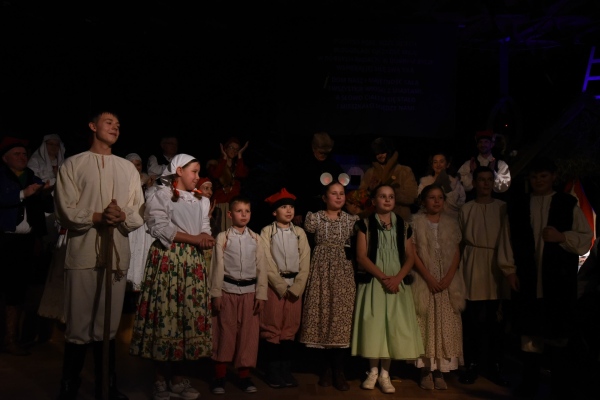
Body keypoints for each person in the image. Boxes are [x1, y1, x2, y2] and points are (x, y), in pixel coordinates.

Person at [53, 110, 145, 400]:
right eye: (109, 122)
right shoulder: (73, 164)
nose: (115, 127)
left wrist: (121, 215)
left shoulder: (127, 168)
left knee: (108, 325)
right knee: (79, 323)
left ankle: (106, 385)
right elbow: (65, 209)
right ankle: (69, 387)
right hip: (83, 254)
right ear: (93, 126)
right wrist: (97, 216)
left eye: (118, 124)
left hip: (116, 254)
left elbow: (138, 209)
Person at [499, 156, 593, 399]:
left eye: (543, 176)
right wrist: (509, 270)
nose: (538, 180)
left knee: (556, 334)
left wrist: (562, 237)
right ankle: (529, 385)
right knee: (530, 335)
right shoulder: (520, 205)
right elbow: (507, 238)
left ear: (553, 177)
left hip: (557, 281)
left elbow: (585, 237)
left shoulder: (566, 203)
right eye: (534, 176)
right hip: (528, 278)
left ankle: (559, 388)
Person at [129, 154, 214, 400]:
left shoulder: (200, 200)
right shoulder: (161, 194)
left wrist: (205, 238)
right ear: (179, 171)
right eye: (194, 171)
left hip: (192, 261)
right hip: (169, 258)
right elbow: (159, 226)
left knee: (186, 315)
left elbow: (204, 227)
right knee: (165, 314)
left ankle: (177, 379)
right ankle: (159, 379)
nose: (197, 177)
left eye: (198, 172)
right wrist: (194, 239)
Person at [351, 184, 424, 394]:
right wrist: (383, 278)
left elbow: (410, 256)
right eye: (382, 196)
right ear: (374, 200)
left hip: (396, 281)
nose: (387, 199)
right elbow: (361, 256)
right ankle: (372, 371)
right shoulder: (365, 224)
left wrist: (397, 278)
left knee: (393, 325)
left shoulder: (403, 225)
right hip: (376, 280)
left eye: (391, 196)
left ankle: (385, 373)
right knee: (374, 325)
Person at [298, 178, 359, 391]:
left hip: (343, 272)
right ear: (324, 197)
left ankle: (339, 370)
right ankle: (325, 369)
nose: (339, 196)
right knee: (323, 314)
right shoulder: (315, 218)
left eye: (342, 193)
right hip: (322, 270)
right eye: (334, 193)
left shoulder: (351, 220)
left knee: (341, 317)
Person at [209, 195, 268, 395]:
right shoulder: (223, 237)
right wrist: (216, 293)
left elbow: (261, 268)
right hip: (228, 292)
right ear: (230, 214)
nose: (243, 215)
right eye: (239, 211)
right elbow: (217, 267)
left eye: (247, 211)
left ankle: (244, 377)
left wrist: (261, 295)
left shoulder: (256, 238)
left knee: (248, 336)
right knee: (224, 332)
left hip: (249, 293)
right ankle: (219, 376)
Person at [458, 166, 511, 386]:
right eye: (482, 179)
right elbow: (460, 238)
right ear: (475, 183)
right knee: (472, 320)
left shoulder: (502, 207)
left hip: (497, 261)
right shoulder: (466, 208)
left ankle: (494, 365)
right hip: (473, 261)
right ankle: (471, 364)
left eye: (490, 179)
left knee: (495, 321)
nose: (486, 183)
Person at [1, 136, 53, 356]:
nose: (22, 157)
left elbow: (42, 208)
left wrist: (45, 193)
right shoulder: (2, 176)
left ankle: (12, 338)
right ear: (5, 158)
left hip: (25, 242)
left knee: (19, 289)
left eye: (24, 154)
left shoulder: (31, 176)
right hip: (4, 240)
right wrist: (23, 194)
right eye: (17, 154)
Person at [411, 184, 465, 390]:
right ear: (424, 201)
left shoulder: (451, 223)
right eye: (432, 197)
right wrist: (428, 277)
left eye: (440, 197)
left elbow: (456, 252)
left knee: (446, 321)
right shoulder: (416, 223)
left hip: (446, 280)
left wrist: (449, 277)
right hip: (426, 278)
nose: (436, 201)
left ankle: (440, 370)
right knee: (426, 322)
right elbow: (413, 253)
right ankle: (426, 369)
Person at [259, 188, 311, 388]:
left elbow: (305, 260)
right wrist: (280, 285)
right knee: (272, 326)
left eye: (291, 207)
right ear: (275, 212)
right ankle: (272, 370)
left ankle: (285, 370)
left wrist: (297, 286)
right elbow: (266, 260)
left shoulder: (299, 233)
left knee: (290, 327)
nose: (289, 210)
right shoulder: (267, 232)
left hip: (294, 286)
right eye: (283, 207)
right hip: (275, 286)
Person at [288, 132, 345, 227]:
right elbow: (296, 188)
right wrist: (298, 211)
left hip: (327, 209)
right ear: (313, 148)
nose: (324, 155)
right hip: (307, 208)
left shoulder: (333, 166)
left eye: (326, 153)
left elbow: (340, 186)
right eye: (321, 152)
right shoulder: (303, 165)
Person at [359, 136, 418, 222]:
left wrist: (390, 193)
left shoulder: (404, 171)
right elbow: (360, 196)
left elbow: (412, 196)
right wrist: (371, 191)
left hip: (399, 220)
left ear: (389, 151)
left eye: (383, 152)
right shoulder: (370, 173)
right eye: (377, 153)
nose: (380, 155)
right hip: (376, 220)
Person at [207, 137, 249, 235]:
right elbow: (216, 174)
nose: (234, 151)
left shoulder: (237, 166)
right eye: (231, 148)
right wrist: (224, 158)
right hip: (219, 204)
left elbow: (242, 174)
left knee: (233, 233)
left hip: (233, 204)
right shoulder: (215, 164)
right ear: (225, 148)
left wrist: (240, 155)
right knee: (219, 232)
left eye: (236, 149)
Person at [457, 129, 511, 195]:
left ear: (492, 144)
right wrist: (472, 173)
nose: (483, 145)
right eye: (480, 142)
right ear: (477, 145)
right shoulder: (469, 164)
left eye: (486, 142)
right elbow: (459, 185)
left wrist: (493, 173)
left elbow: (504, 187)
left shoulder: (501, 164)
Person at [417, 150, 465, 219]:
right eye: (435, 162)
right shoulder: (425, 182)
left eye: (441, 162)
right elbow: (420, 202)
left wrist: (446, 185)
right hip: (428, 219)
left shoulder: (455, 182)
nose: (438, 165)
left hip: (449, 219)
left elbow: (459, 204)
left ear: (447, 164)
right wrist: (436, 183)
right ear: (432, 165)